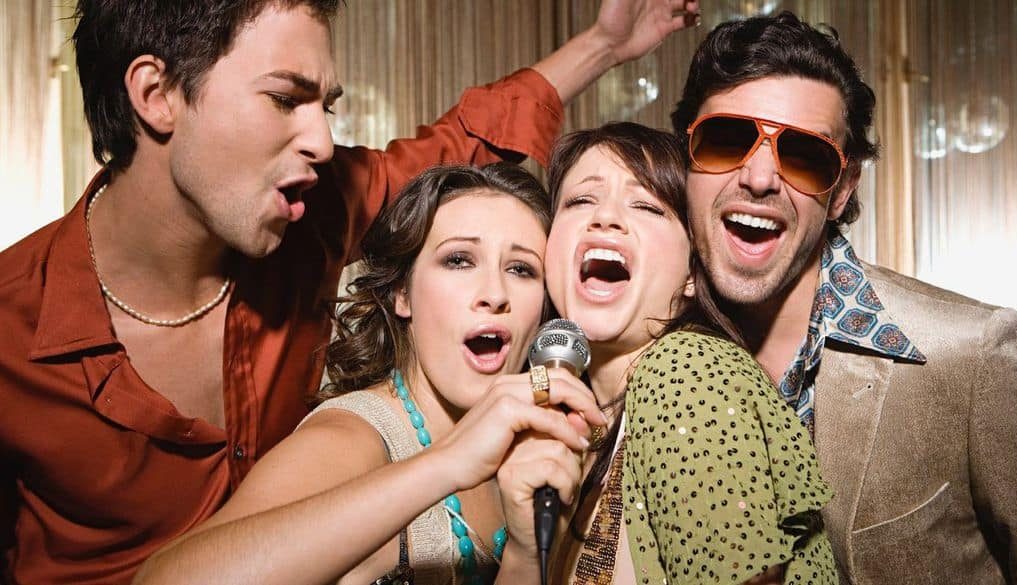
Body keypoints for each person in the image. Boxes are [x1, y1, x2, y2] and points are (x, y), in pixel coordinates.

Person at [0, 0, 700, 582]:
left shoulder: (313, 210)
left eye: (522, 270)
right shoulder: (10, 327)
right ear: (156, 95)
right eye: (285, 98)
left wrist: (605, 44)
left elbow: (463, 151)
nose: (322, 141)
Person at [671, 11, 1017, 584]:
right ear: (684, 163)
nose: (760, 179)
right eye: (725, 141)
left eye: (804, 155)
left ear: (842, 189)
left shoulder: (973, 357)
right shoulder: (643, 346)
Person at [132, 163, 608, 585]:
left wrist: (524, 555)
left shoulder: (529, 450)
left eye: (521, 269)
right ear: (403, 294)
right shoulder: (353, 438)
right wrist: (446, 462)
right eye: (459, 260)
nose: (494, 293)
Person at [540, 122, 837, 584]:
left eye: (646, 206)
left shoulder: (685, 372)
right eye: (580, 200)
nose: (605, 218)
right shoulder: (585, 426)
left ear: (693, 276)